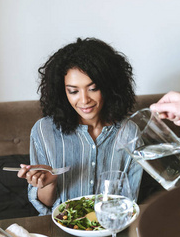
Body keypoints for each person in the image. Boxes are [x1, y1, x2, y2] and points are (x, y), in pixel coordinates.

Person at [17, 37, 142, 215]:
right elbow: (46, 205)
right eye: (73, 91)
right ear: (62, 91)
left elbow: (128, 202)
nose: (84, 100)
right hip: (60, 229)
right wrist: (49, 182)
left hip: (111, 228)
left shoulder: (129, 132)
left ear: (110, 87)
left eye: (93, 88)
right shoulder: (44, 131)